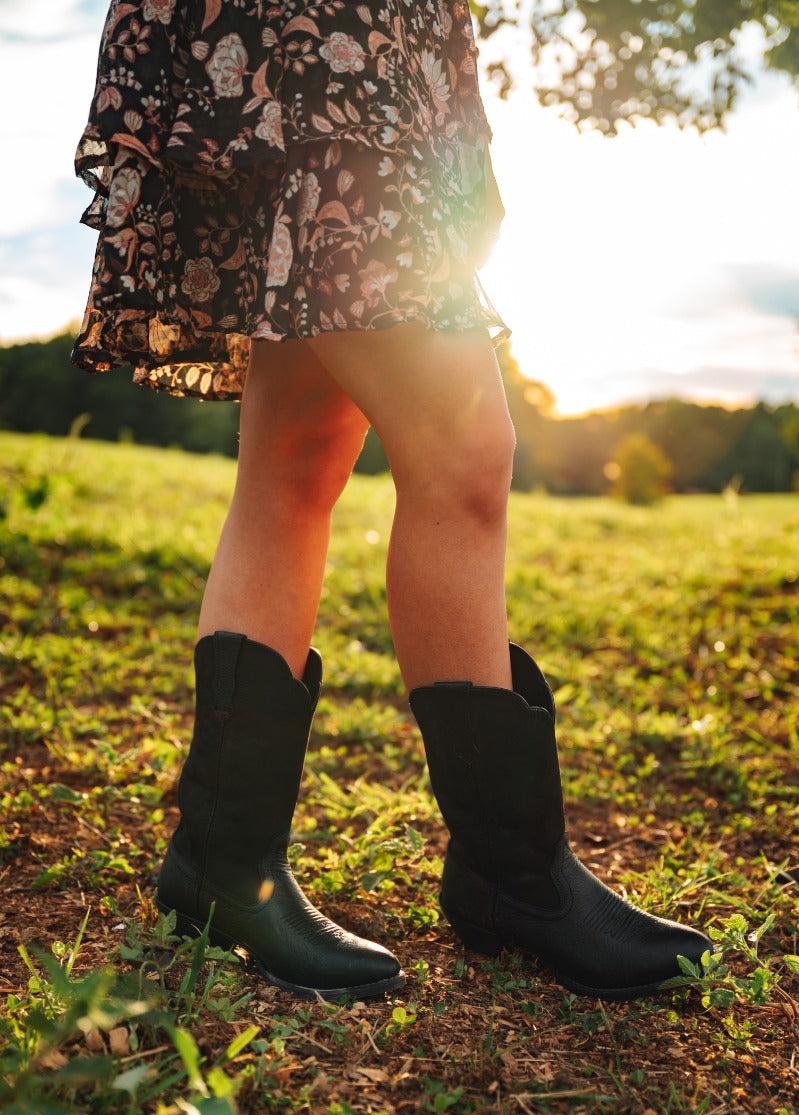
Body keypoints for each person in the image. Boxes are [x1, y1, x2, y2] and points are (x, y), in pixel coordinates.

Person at [72, 1, 711, 1002]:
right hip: (320, 58)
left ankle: (222, 863)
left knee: (296, 461)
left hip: (371, 67)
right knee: (463, 449)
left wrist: (457, 117)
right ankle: (508, 875)